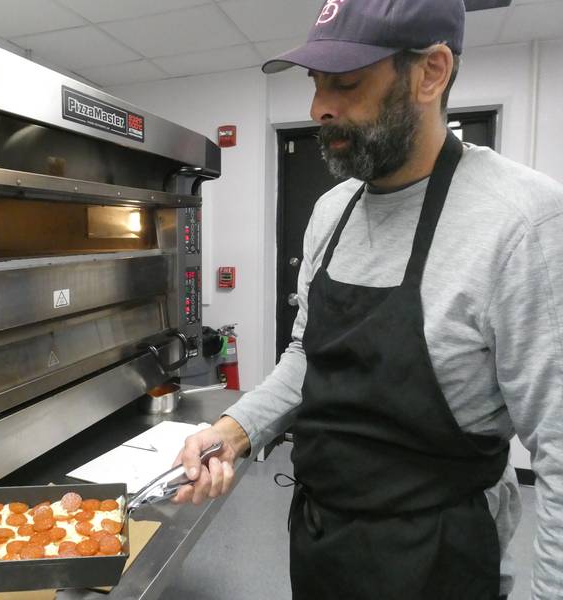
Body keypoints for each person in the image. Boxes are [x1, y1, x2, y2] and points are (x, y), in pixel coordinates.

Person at [172, 1, 563, 599]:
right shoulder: (332, 211)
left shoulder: (522, 223)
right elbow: (308, 354)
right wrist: (236, 427)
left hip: (440, 559)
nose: (318, 108)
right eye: (316, 82)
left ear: (431, 72)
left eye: (347, 83)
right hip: (321, 539)